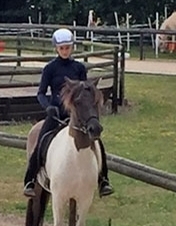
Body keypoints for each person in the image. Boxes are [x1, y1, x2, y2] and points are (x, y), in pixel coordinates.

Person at [22, 28, 114, 198]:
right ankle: (30, 180)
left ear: (72, 48)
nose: (65, 51)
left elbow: (85, 90)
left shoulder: (78, 67)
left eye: (68, 47)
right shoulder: (50, 68)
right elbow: (41, 93)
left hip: (77, 114)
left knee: (97, 142)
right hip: (56, 113)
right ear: (56, 49)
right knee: (42, 140)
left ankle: (103, 180)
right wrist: (48, 106)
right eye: (62, 48)